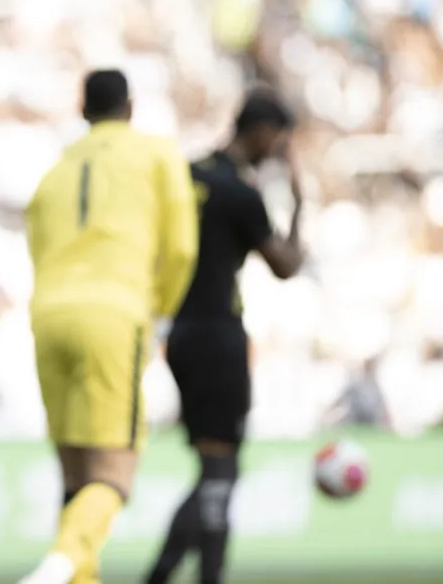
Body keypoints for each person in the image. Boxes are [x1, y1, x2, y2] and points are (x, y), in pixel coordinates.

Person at [19, 70, 199, 584]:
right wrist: (161, 311)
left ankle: (76, 573)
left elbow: (36, 247)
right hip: (115, 313)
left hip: (49, 316)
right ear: (131, 107)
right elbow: (183, 246)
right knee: (114, 475)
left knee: (76, 478)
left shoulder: (53, 171)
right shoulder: (157, 153)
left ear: (82, 112)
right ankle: (59, 565)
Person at [144, 88, 303, 584]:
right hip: (218, 332)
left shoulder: (183, 174)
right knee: (220, 473)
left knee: (216, 471)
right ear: (261, 132)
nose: (279, 149)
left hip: (180, 332)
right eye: (279, 140)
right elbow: (286, 265)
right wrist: (300, 205)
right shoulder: (242, 193)